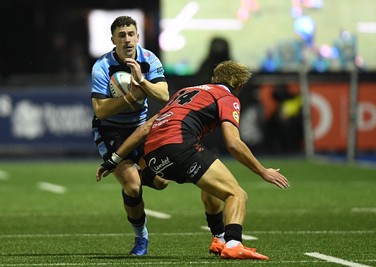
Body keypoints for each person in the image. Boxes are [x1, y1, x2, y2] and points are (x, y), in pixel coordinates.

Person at [97, 61, 289, 260]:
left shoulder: (185, 91)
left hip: (153, 153)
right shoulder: (227, 96)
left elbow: (144, 128)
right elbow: (233, 143)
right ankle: (233, 243)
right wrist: (262, 171)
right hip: (180, 146)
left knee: (203, 183)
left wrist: (113, 159)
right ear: (238, 85)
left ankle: (219, 238)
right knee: (237, 194)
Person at [90, 16, 169, 256]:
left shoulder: (149, 59)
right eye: (121, 35)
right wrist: (131, 97)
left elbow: (164, 96)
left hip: (140, 128)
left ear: (137, 36)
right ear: (113, 39)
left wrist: (142, 82)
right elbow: (100, 110)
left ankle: (137, 171)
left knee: (161, 182)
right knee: (133, 187)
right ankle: (141, 237)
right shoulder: (102, 66)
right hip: (110, 131)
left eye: (131, 34)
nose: (127, 39)